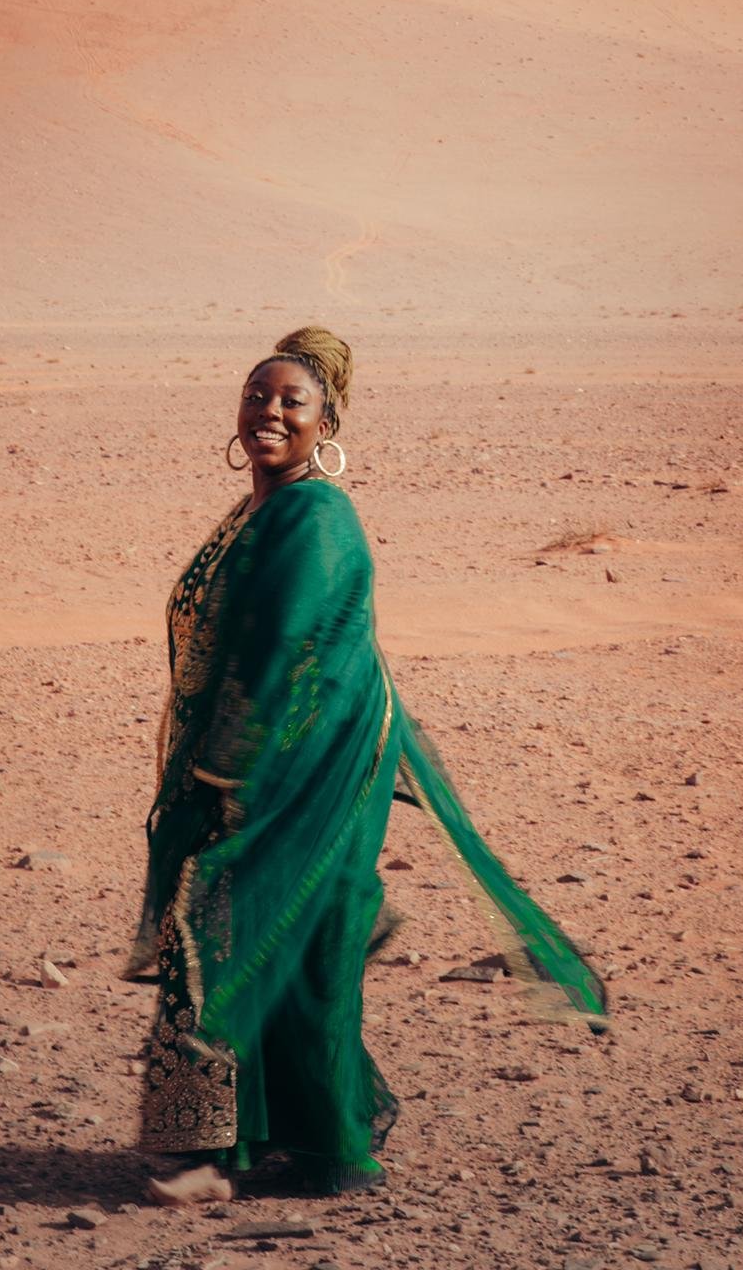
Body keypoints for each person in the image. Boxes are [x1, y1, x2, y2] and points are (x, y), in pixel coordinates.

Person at [125, 326, 606, 1206]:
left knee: (219, 939)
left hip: (298, 779)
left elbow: (290, 657)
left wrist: (229, 780)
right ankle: (316, 1145)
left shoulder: (318, 516)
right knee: (297, 952)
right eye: (256, 396)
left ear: (325, 422)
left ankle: (212, 1158)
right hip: (263, 772)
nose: (269, 412)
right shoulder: (258, 512)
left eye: (290, 401)